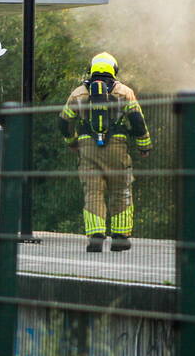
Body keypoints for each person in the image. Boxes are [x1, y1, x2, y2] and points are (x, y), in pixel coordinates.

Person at [59, 52, 153, 252]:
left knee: (93, 192)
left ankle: (96, 236)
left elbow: (64, 120)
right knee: (121, 189)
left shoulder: (78, 93)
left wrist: (71, 141)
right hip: (117, 146)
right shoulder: (124, 92)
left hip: (87, 148)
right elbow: (137, 121)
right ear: (114, 69)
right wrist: (144, 146)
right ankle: (120, 238)